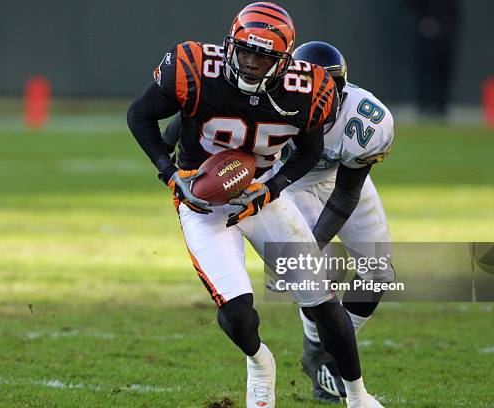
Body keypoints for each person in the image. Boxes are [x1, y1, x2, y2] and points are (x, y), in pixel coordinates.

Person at [128, 3, 383, 407]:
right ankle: (261, 362)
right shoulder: (193, 68)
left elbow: (308, 153)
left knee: (321, 302)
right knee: (238, 313)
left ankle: (357, 395)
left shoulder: (308, 90)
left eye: (263, 56)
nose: (249, 63)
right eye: (244, 50)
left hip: (261, 197)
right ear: (230, 44)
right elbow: (140, 116)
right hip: (203, 203)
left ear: (283, 61)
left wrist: (273, 188)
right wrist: (171, 173)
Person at [279, 42, 395, 403]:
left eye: (324, 89)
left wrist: (311, 245)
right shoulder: (268, 104)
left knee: (378, 273)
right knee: (322, 274)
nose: (315, 96)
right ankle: (317, 350)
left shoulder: (362, 119)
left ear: (341, 90)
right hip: (291, 182)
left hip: (342, 179)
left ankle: (329, 349)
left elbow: (345, 196)